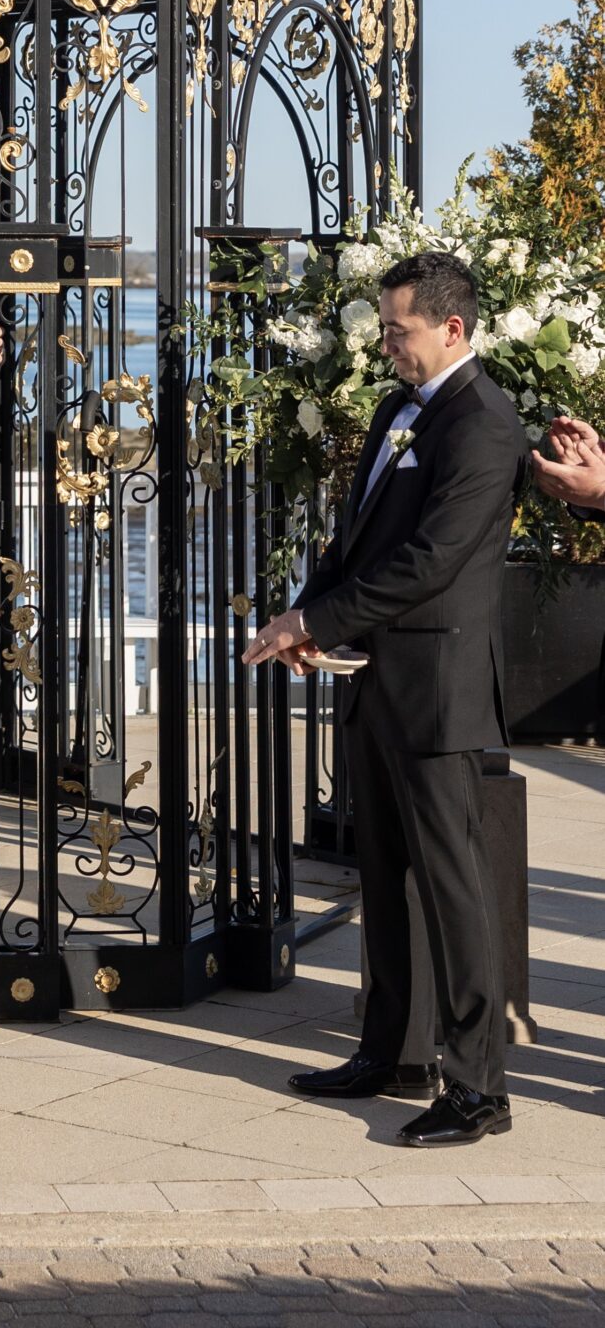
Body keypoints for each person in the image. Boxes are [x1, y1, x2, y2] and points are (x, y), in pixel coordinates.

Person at [244, 248, 524, 1150]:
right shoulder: (393, 410)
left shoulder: (483, 422)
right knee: (384, 879)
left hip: (436, 687)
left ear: (450, 328)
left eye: (398, 332)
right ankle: (389, 1054)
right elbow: (358, 538)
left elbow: (430, 562)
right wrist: (306, 616)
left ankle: (478, 1087)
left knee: (453, 890)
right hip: (371, 678)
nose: (386, 349)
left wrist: (315, 622)